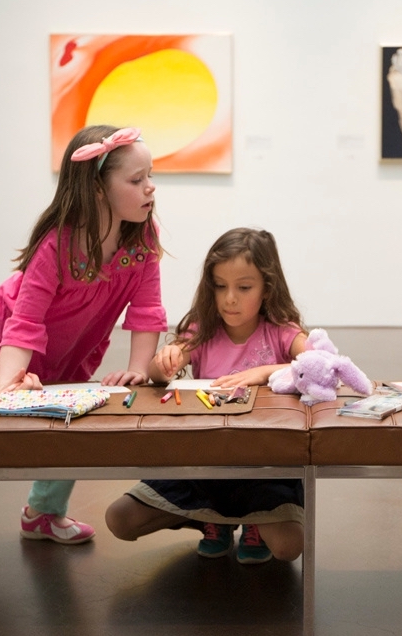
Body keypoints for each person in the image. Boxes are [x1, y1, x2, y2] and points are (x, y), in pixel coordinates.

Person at [0, 125, 167, 544]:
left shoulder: (142, 238)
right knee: (12, 438)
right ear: (98, 188)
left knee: (68, 427)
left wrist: (138, 368)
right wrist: (9, 385)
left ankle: (43, 513)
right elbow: (24, 321)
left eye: (151, 175)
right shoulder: (57, 244)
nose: (150, 188)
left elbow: (147, 310)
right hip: (12, 344)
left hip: (74, 349)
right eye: (137, 180)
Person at [105, 227, 309, 564]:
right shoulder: (202, 330)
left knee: (288, 547)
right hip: (206, 464)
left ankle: (250, 521)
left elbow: (323, 364)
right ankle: (213, 519)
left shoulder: (281, 330)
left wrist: (265, 371)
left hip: (264, 468)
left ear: (267, 287)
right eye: (220, 286)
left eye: (244, 288)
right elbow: (158, 374)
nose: (230, 298)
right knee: (119, 520)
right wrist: (163, 362)